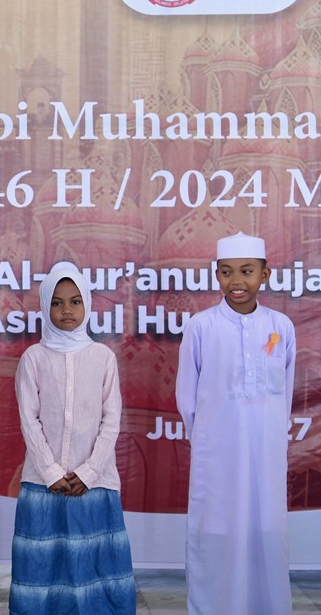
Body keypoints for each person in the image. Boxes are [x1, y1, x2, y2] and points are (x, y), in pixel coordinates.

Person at [176, 232, 296, 615]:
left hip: (266, 454)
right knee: (216, 535)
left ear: (265, 275)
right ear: (216, 275)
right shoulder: (201, 327)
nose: (236, 281)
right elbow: (187, 398)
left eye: (247, 271)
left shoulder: (281, 327)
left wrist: (270, 434)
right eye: (227, 272)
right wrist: (210, 441)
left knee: (266, 533)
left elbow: (285, 394)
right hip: (217, 457)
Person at [9, 262, 136, 613]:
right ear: (45, 306)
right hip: (42, 483)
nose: (67, 310)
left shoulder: (103, 357)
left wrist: (89, 472)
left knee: (95, 568)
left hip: (95, 484)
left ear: (88, 306)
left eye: (76, 301)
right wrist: (51, 472)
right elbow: (28, 420)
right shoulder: (33, 358)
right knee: (44, 570)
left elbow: (112, 420)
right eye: (58, 302)